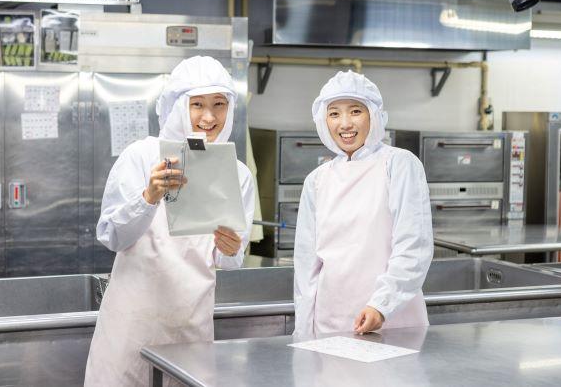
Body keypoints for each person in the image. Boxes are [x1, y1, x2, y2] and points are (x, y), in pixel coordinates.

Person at [84, 56, 255, 387]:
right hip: (131, 324)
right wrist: (148, 196)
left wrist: (231, 248)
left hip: (191, 326)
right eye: (198, 105)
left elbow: (228, 261)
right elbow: (112, 236)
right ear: (178, 107)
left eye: (219, 104)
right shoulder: (142, 156)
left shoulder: (237, 174)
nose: (209, 116)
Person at [293, 70, 433, 337]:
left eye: (355, 111)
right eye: (334, 114)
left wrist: (381, 306)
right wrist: (303, 332)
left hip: (391, 322)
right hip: (330, 324)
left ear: (374, 115)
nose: (344, 124)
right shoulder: (317, 180)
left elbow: (413, 246)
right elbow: (306, 265)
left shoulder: (398, 164)